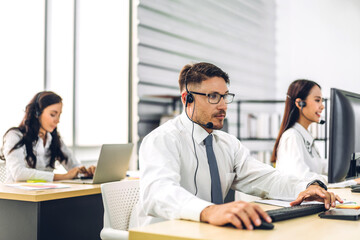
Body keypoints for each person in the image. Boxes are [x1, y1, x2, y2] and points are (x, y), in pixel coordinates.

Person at [131, 63, 341, 230]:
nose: (223, 105)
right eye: (213, 96)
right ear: (188, 99)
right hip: (164, 234)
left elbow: (267, 179)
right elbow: (158, 193)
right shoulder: (162, 139)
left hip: (208, 233)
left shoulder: (227, 144)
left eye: (225, 96)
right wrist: (209, 211)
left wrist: (306, 188)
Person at [271, 79, 360, 186]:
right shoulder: (292, 136)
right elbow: (302, 178)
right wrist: (350, 182)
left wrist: (350, 165)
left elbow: (321, 165)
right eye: (317, 100)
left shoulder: (305, 136)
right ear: (300, 103)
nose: (322, 106)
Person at [0, 91, 95, 183]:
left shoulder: (53, 138)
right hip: (17, 196)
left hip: (43, 194)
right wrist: (63, 177)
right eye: (53, 114)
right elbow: (19, 174)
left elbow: (73, 166)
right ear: (37, 113)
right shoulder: (15, 136)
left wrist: (85, 172)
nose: (57, 120)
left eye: (59, 115)